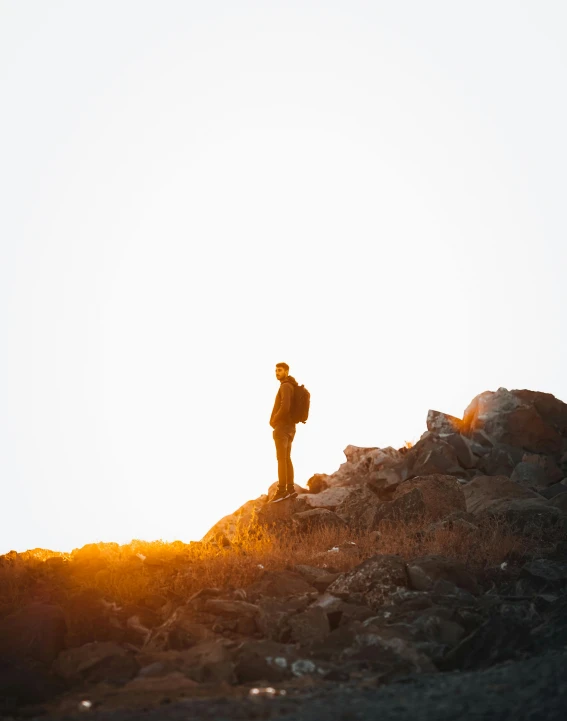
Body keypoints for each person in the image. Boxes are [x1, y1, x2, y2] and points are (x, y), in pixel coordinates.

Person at [269, 362, 299, 503]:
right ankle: (291, 490)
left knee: (281, 459)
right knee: (286, 458)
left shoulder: (286, 386)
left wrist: (274, 419)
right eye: (275, 370)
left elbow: (285, 407)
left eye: (279, 370)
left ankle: (281, 490)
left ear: (287, 371)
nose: (277, 373)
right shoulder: (291, 386)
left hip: (282, 427)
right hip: (290, 428)